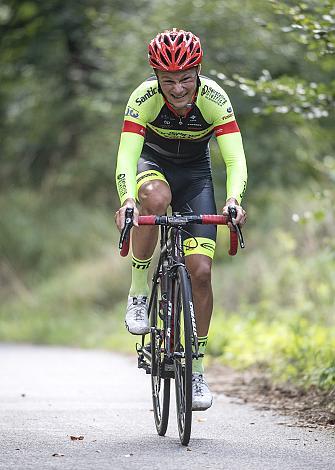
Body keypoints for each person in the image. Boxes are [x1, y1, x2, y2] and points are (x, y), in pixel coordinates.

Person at [115, 28, 247, 411]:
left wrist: (235, 199)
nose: (177, 89)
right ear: (156, 77)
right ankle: (139, 290)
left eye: (185, 78)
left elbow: (235, 159)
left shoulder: (214, 98)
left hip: (196, 177)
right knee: (156, 199)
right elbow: (126, 157)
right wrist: (127, 200)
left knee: (201, 272)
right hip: (152, 166)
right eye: (168, 80)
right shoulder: (143, 98)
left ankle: (197, 368)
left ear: (198, 71)